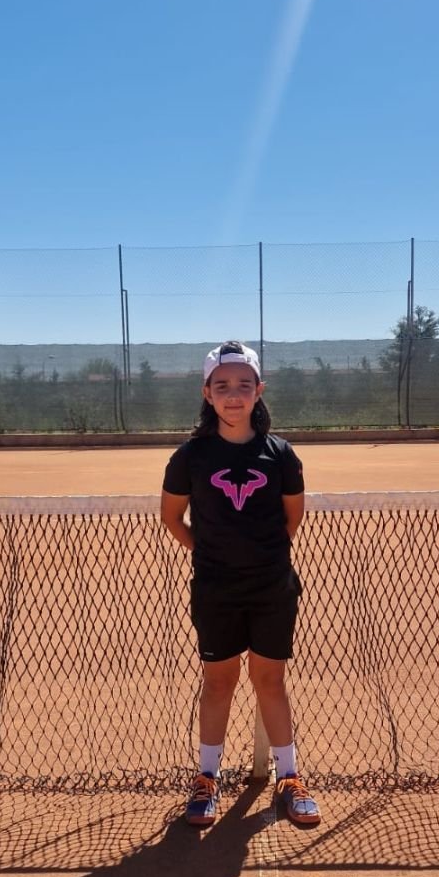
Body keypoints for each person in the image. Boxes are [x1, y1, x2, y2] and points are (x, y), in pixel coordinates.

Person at [160, 340, 320, 827]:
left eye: (243, 386)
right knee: (218, 682)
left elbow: (292, 519)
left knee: (270, 681)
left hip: (272, 588)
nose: (234, 395)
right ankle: (207, 778)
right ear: (207, 393)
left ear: (259, 392)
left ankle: (289, 778)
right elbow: (172, 520)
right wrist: (214, 557)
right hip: (216, 590)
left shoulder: (281, 454)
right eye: (223, 386)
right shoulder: (190, 457)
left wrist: (260, 559)